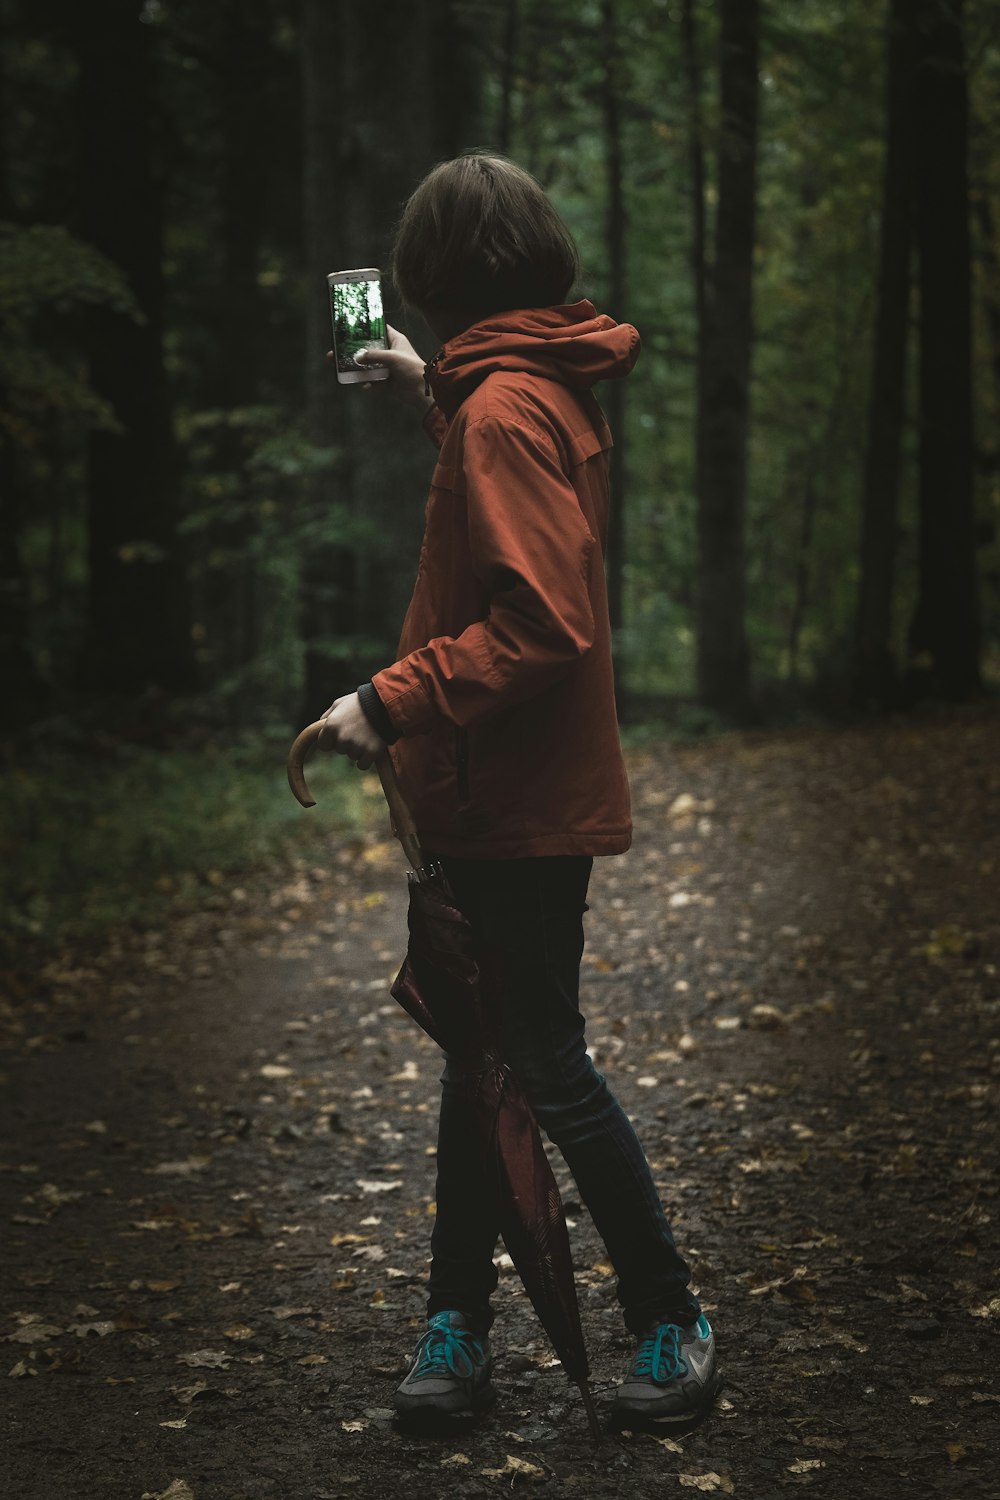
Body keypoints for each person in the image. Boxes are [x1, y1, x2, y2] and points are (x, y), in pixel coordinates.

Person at [316, 152, 720, 1433]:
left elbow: (543, 620)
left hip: (513, 798)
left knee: (535, 1059)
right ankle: (460, 1330)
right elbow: (509, 500)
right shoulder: (530, 384)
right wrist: (423, 388)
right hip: (507, 791)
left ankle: (667, 1318)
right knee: (482, 1058)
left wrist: (386, 702)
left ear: (432, 277)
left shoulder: (502, 408)